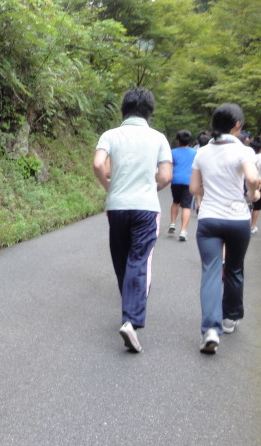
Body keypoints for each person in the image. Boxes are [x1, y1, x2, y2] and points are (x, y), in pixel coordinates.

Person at [93, 87, 173, 353]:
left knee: (121, 258)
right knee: (138, 259)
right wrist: (151, 186)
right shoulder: (159, 138)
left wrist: (110, 187)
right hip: (145, 207)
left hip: (117, 206)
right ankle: (131, 320)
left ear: (123, 109)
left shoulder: (110, 135)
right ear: (150, 112)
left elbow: (98, 164)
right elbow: (165, 176)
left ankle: (128, 308)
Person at [189, 103, 261, 354]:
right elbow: (252, 178)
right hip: (237, 218)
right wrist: (253, 194)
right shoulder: (244, 151)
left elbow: (193, 188)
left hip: (209, 218)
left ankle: (210, 329)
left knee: (210, 270)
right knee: (234, 268)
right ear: (237, 125)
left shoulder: (202, 153)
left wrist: (211, 188)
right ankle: (230, 318)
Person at [168, 130, 197, 241]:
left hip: (176, 180)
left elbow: (169, 165)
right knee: (186, 206)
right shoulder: (194, 153)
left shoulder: (173, 152)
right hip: (189, 181)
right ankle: (183, 231)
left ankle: (172, 223)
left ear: (178, 140)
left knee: (176, 201)